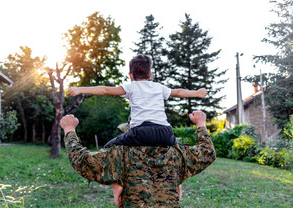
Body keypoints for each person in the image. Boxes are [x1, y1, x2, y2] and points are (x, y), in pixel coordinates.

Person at [60, 110, 216, 208]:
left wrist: (69, 130)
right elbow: (207, 153)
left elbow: (82, 161)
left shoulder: (121, 153)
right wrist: (201, 124)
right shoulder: (178, 153)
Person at [67, 54, 207, 148]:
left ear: (130, 75)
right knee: (177, 149)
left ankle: (118, 185)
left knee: (109, 147)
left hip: (141, 132)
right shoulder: (159, 87)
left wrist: (81, 89)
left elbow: (106, 90)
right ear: (150, 75)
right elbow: (179, 92)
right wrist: (197, 93)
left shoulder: (131, 86)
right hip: (165, 133)